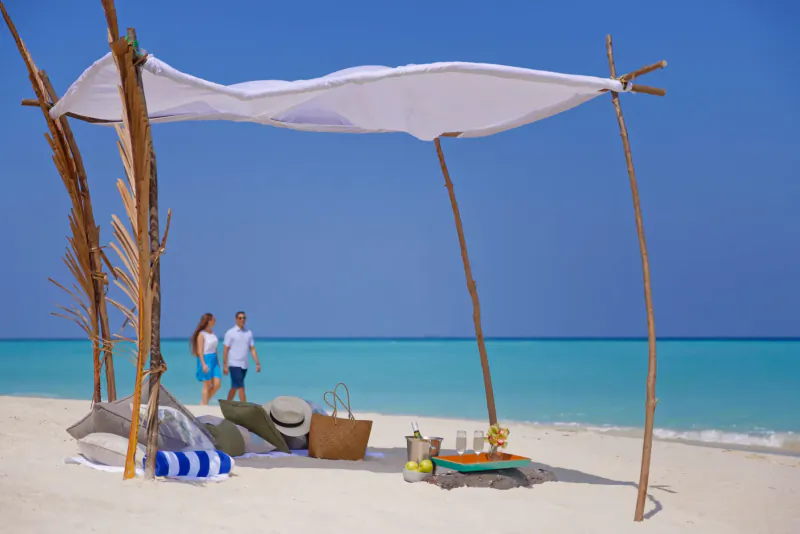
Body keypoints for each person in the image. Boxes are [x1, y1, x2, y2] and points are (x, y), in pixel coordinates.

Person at [223, 311, 260, 402]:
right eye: (240, 318)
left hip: (244, 364)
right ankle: (245, 406)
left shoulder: (248, 333)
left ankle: (228, 403)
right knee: (241, 387)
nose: (242, 320)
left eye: (244, 318)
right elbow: (225, 350)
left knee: (235, 386)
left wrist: (257, 363)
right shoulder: (230, 333)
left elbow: (252, 349)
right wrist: (225, 365)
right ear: (236, 319)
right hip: (234, 363)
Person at [191, 313, 221, 405]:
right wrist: (203, 364)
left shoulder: (212, 333)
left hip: (214, 359)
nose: (215, 322)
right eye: (214, 320)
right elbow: (200, 351)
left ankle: (203, 402)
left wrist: (218, 361)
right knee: (207, 385)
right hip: (205, 358)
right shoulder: (201, 334)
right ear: (209, 321)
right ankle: (204, 405)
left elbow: (215, 348)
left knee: (217, 384)